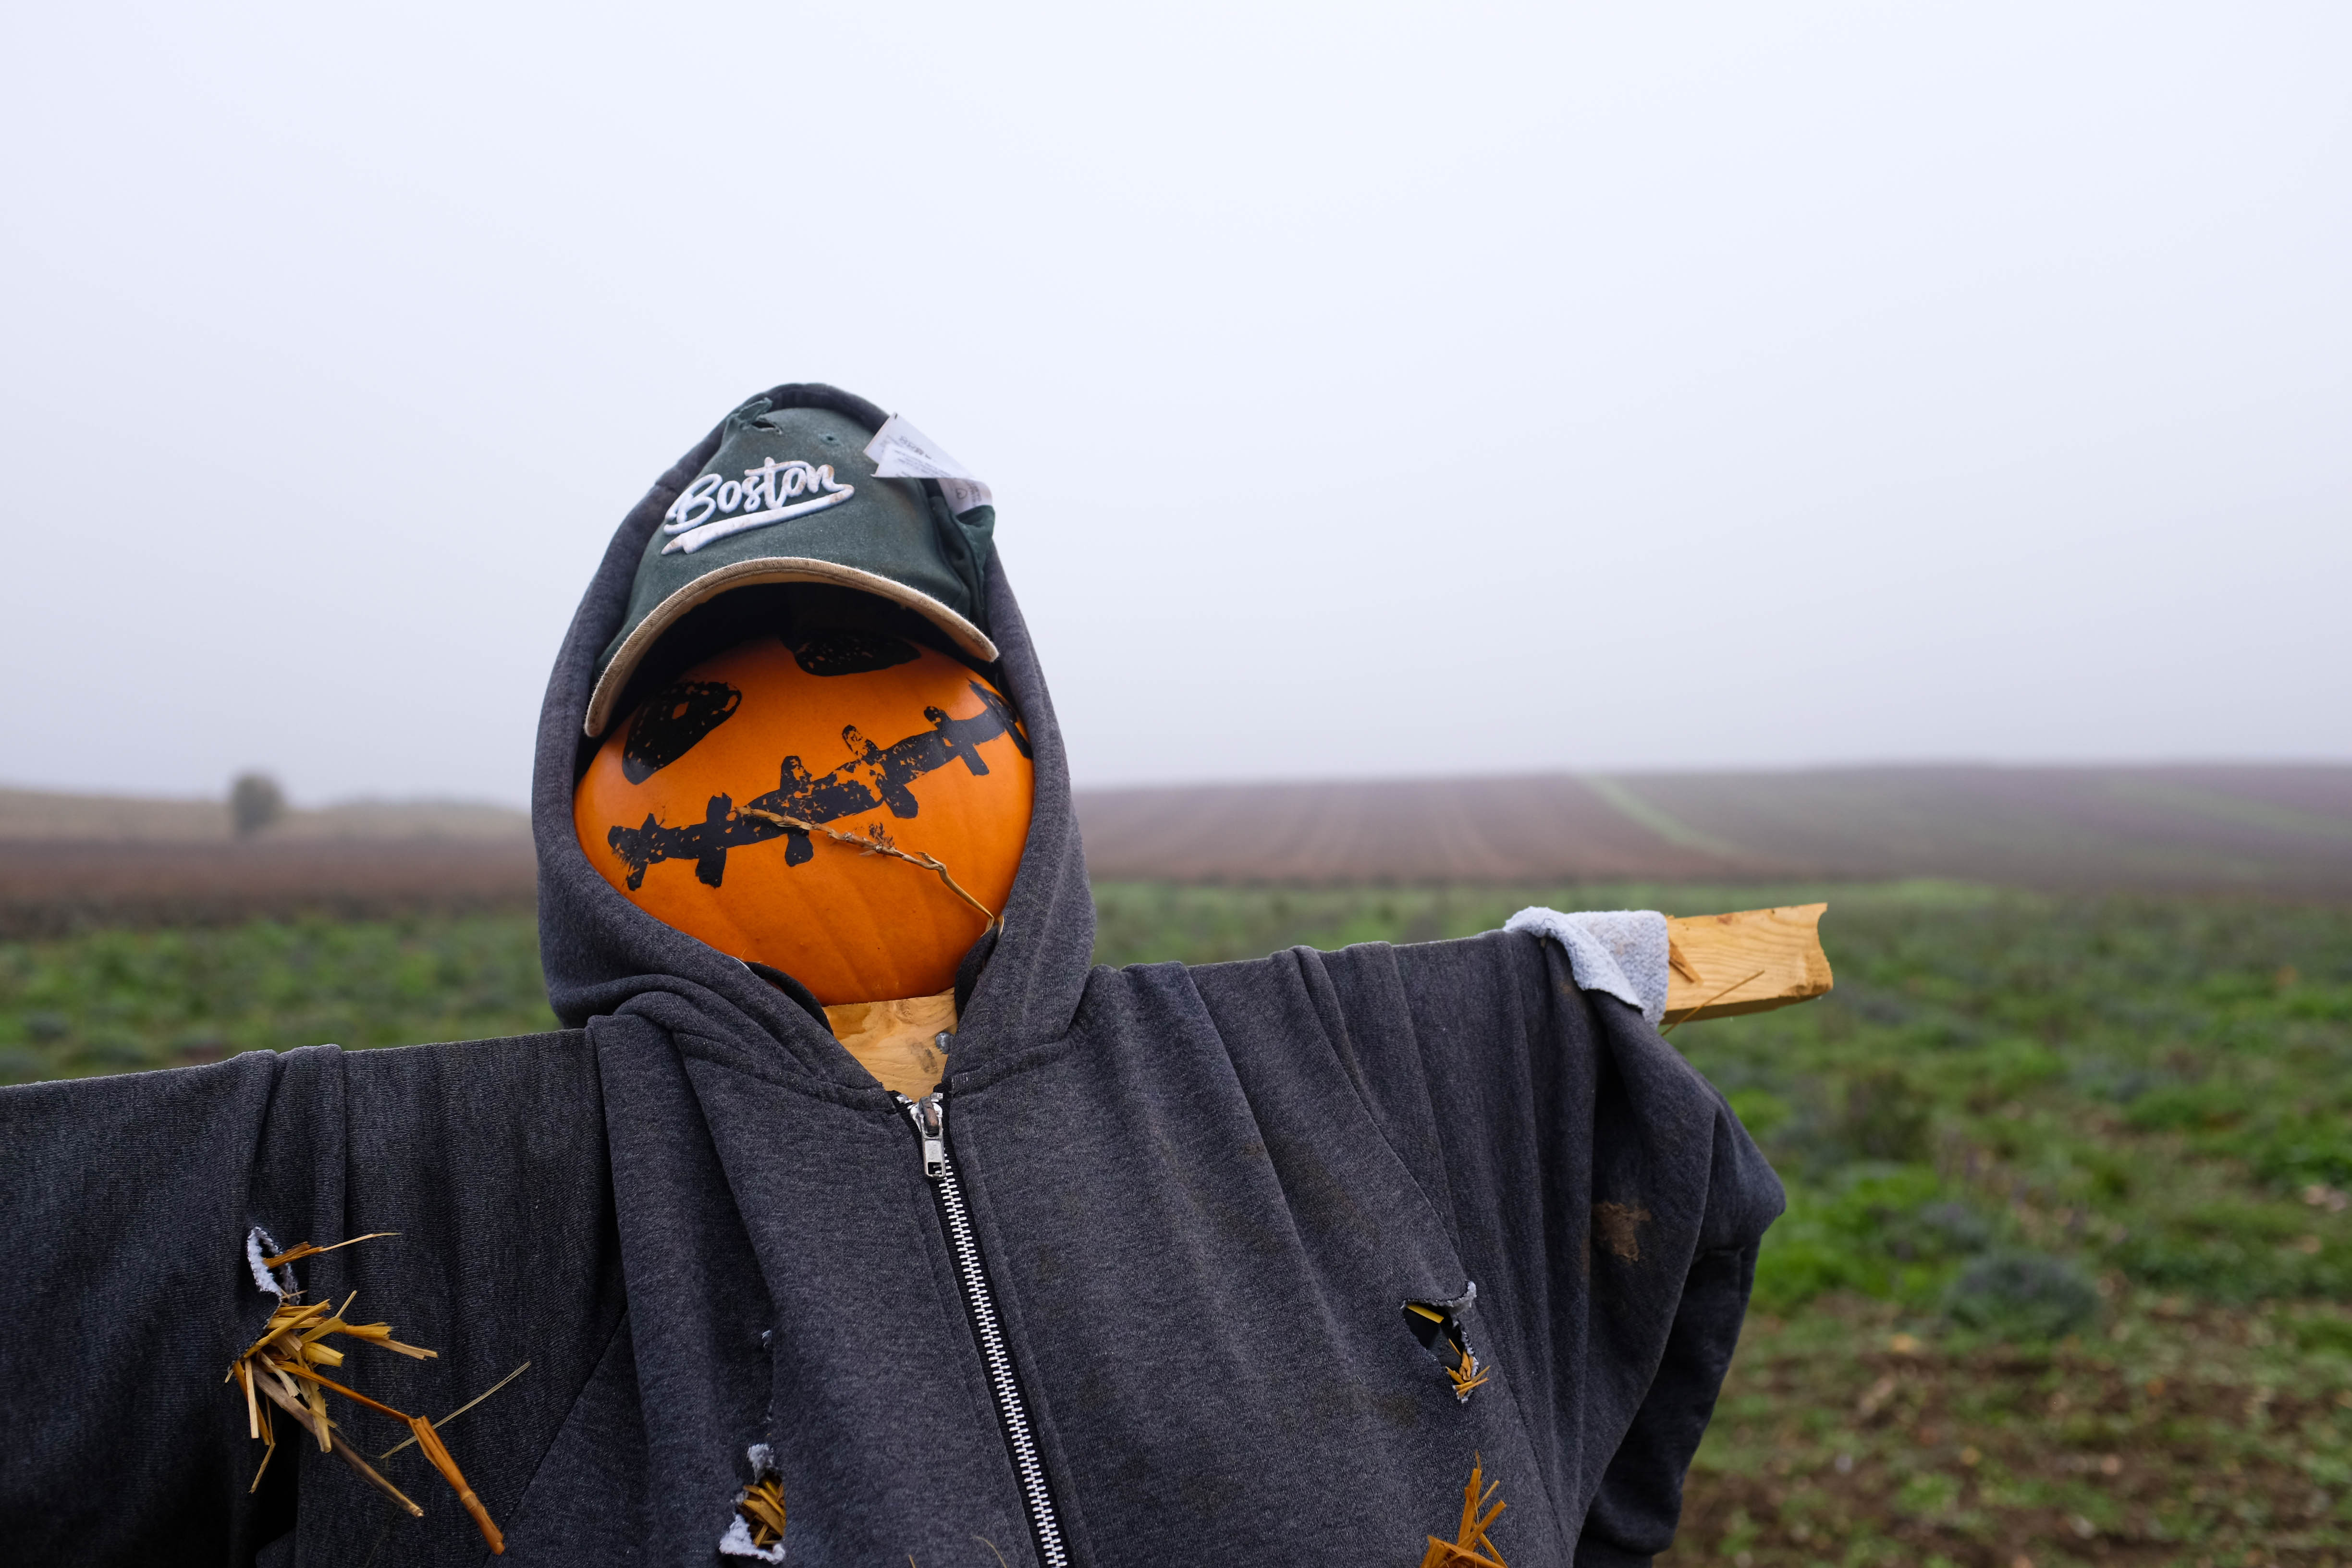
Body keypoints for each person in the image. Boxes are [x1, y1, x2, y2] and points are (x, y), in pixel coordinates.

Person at [0, 381, 1783, 1567]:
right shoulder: (434, 1222)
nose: (800, 761)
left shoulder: (1336, 1102)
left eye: (868, 672)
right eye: (702, 714)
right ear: (584, 784)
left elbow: (1664, 1232)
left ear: (1008, 720)